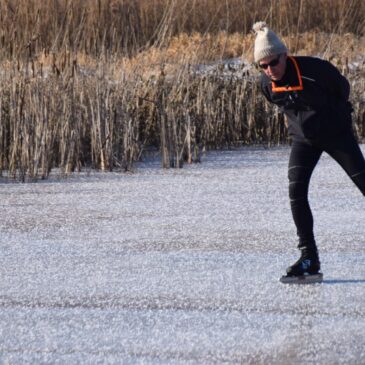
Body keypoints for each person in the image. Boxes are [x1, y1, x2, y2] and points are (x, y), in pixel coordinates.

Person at [252, 21, 365, 282]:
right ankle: (309, 258)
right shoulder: (266, 85)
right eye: (263, 66)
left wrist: (333, 118)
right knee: (296, 192)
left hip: (336, 135)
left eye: (274, 62)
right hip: (304, 140)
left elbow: (342, 89)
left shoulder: (316, 71)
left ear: (285, 55)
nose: (270, 70)